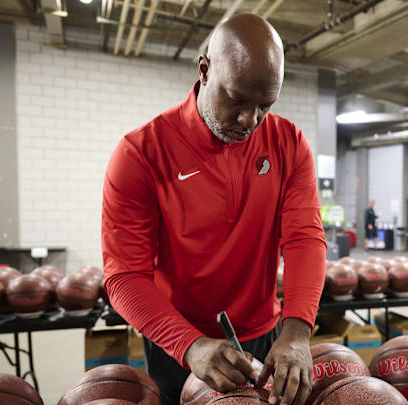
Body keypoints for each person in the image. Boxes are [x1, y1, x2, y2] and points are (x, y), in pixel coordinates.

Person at [101, 14, 326, 405]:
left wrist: (298, 329)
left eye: (264, 106)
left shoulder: (289, 143)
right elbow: (124, 275)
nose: (249, 120)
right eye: (236, 99)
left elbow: (305, 238)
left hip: (266, 334)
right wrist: (189, 344)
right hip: (178, 343)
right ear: (204, 70)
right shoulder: (140, 153)